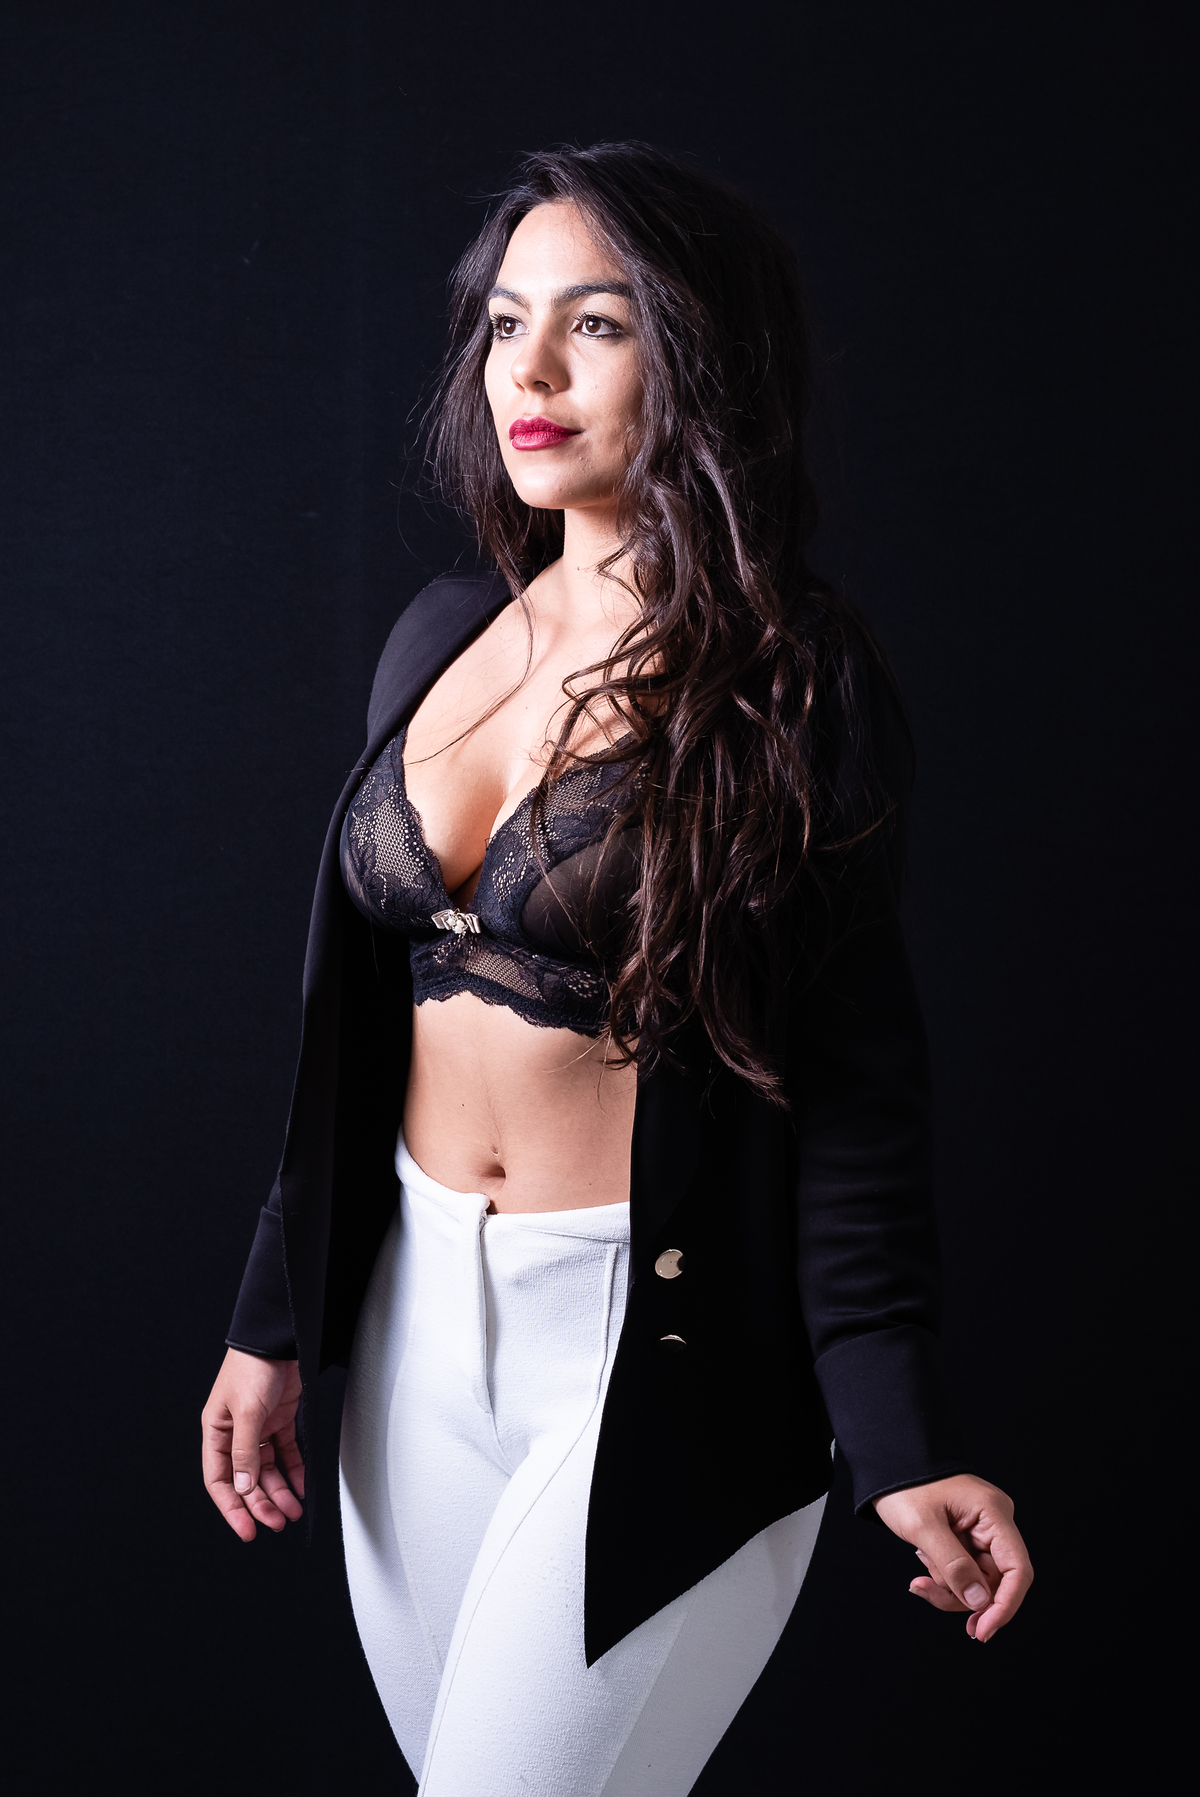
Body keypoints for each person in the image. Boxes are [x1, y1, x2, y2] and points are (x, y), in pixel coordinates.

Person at [201, 141, 1033, 1795]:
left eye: (596, 323)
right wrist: (275, 1313)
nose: (530, 371)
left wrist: (899, 1430)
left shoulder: (792, 683)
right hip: (410, 1334)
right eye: (507, 323)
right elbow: (355, 1022)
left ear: (703, 355)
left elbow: (855, 1072)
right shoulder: (445, 629)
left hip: (650, 1361)